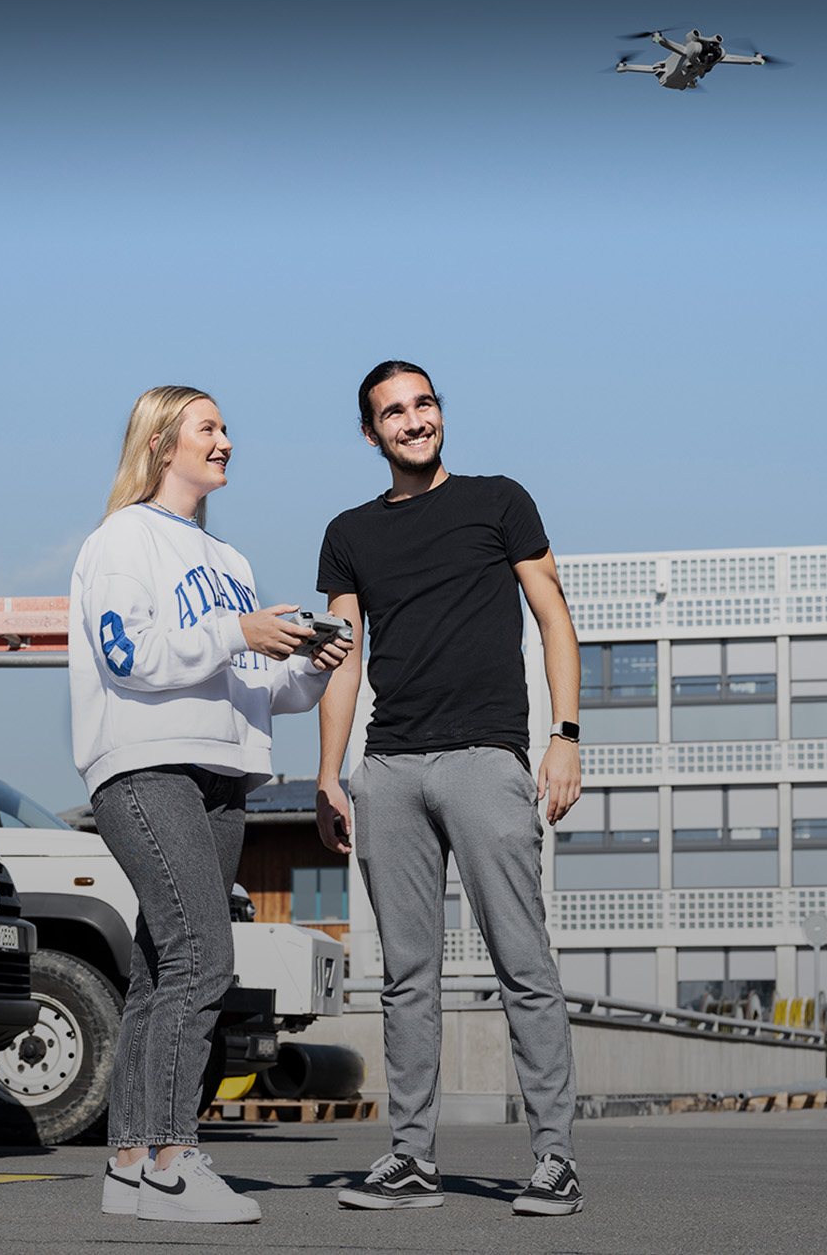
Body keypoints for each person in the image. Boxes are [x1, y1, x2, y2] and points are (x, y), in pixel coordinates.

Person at [69, 385, 350, 1225]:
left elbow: (256, 687)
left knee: (163, 969)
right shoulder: (121, 539)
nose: (226, 440)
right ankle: (169, 1157)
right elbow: (129, 655)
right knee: (203, 954)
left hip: (225, 776)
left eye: (226, 428)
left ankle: (129, 1164)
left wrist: (312, 664)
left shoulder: (229, 562)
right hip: (147, 768)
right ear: (162, 444)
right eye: (208, 427)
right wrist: (238, 633)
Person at [314, 361, 584, 1217]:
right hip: (390, 769)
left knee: (523, 963)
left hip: (484, 760)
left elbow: (553, 616)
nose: (413, 420)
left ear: (439, 415)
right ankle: (411, 1158)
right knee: (407, 977)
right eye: (394, 412)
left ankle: (554, 1158)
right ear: (372, 434)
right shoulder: (349, 532)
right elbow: (342, 659)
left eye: (423, 404)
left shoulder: (500, 501)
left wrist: (565, 737)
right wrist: (329, 773)